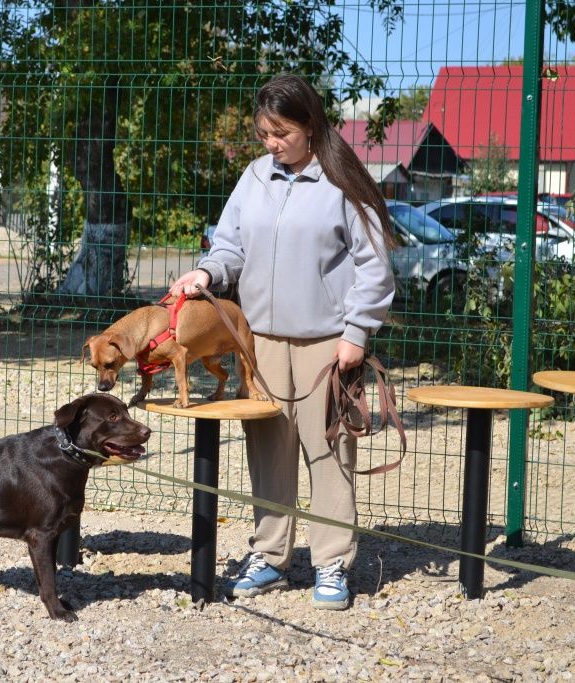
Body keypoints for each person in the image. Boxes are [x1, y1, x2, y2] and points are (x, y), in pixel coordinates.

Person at [170, 73, 396, 610]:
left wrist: (357, 333)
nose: (270, 143)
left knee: (329, 453)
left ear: (310, 126)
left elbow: (375, 267)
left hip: (328, 344)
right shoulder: (254, 177)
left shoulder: (344, 182)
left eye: (281, 133)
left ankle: (332, 564)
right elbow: (229, 246)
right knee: (267, 452)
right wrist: (206, 274)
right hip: (262, 341)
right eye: (264, 133)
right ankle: (270, 557)